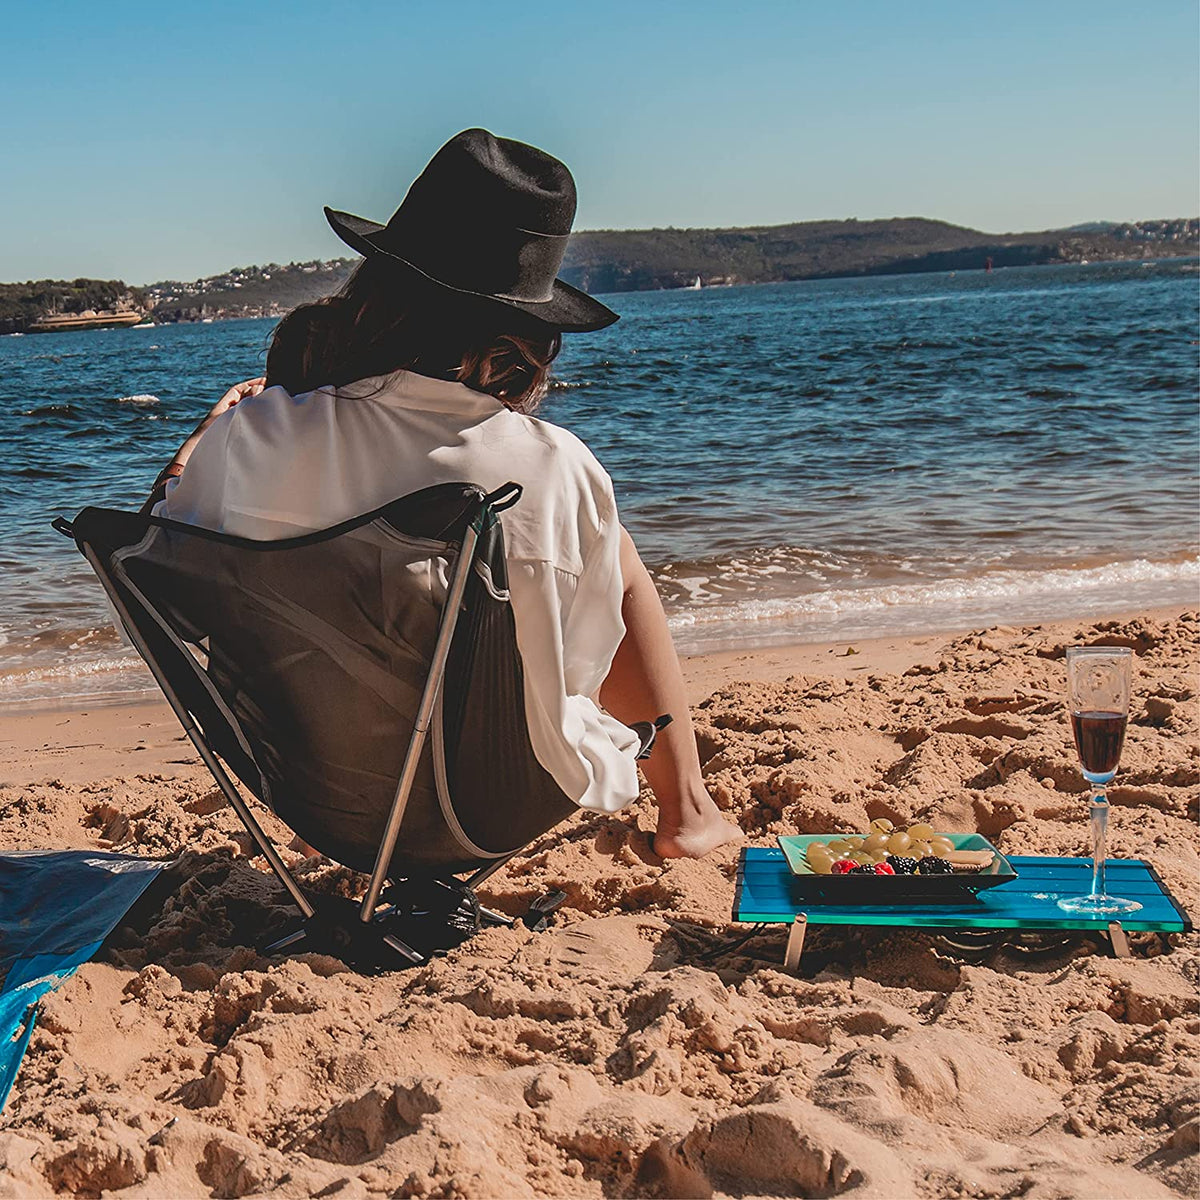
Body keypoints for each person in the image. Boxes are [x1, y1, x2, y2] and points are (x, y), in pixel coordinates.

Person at [150, 129, 741, 861]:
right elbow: (581, 668)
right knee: (610, 552)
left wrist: (204, 438)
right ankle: (688, 811)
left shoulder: (258, 433)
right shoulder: (557, 467)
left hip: (309, 792)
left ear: (381, 283)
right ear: (527, 328)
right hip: (491, 807)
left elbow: (164, 570)